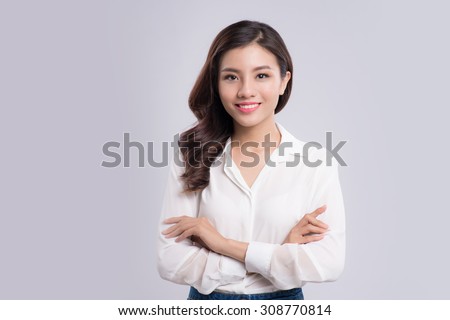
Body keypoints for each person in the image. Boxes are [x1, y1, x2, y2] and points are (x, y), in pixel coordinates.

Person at [157, 20, 345, 300]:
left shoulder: (315, 162)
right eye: (231, 77)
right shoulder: (191, 155)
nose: (246, 90)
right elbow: (169, 260)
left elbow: (328, 263)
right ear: (216, 83)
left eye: (261, 76)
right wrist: (277, 255)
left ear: (284, 81)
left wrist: (221, 244)